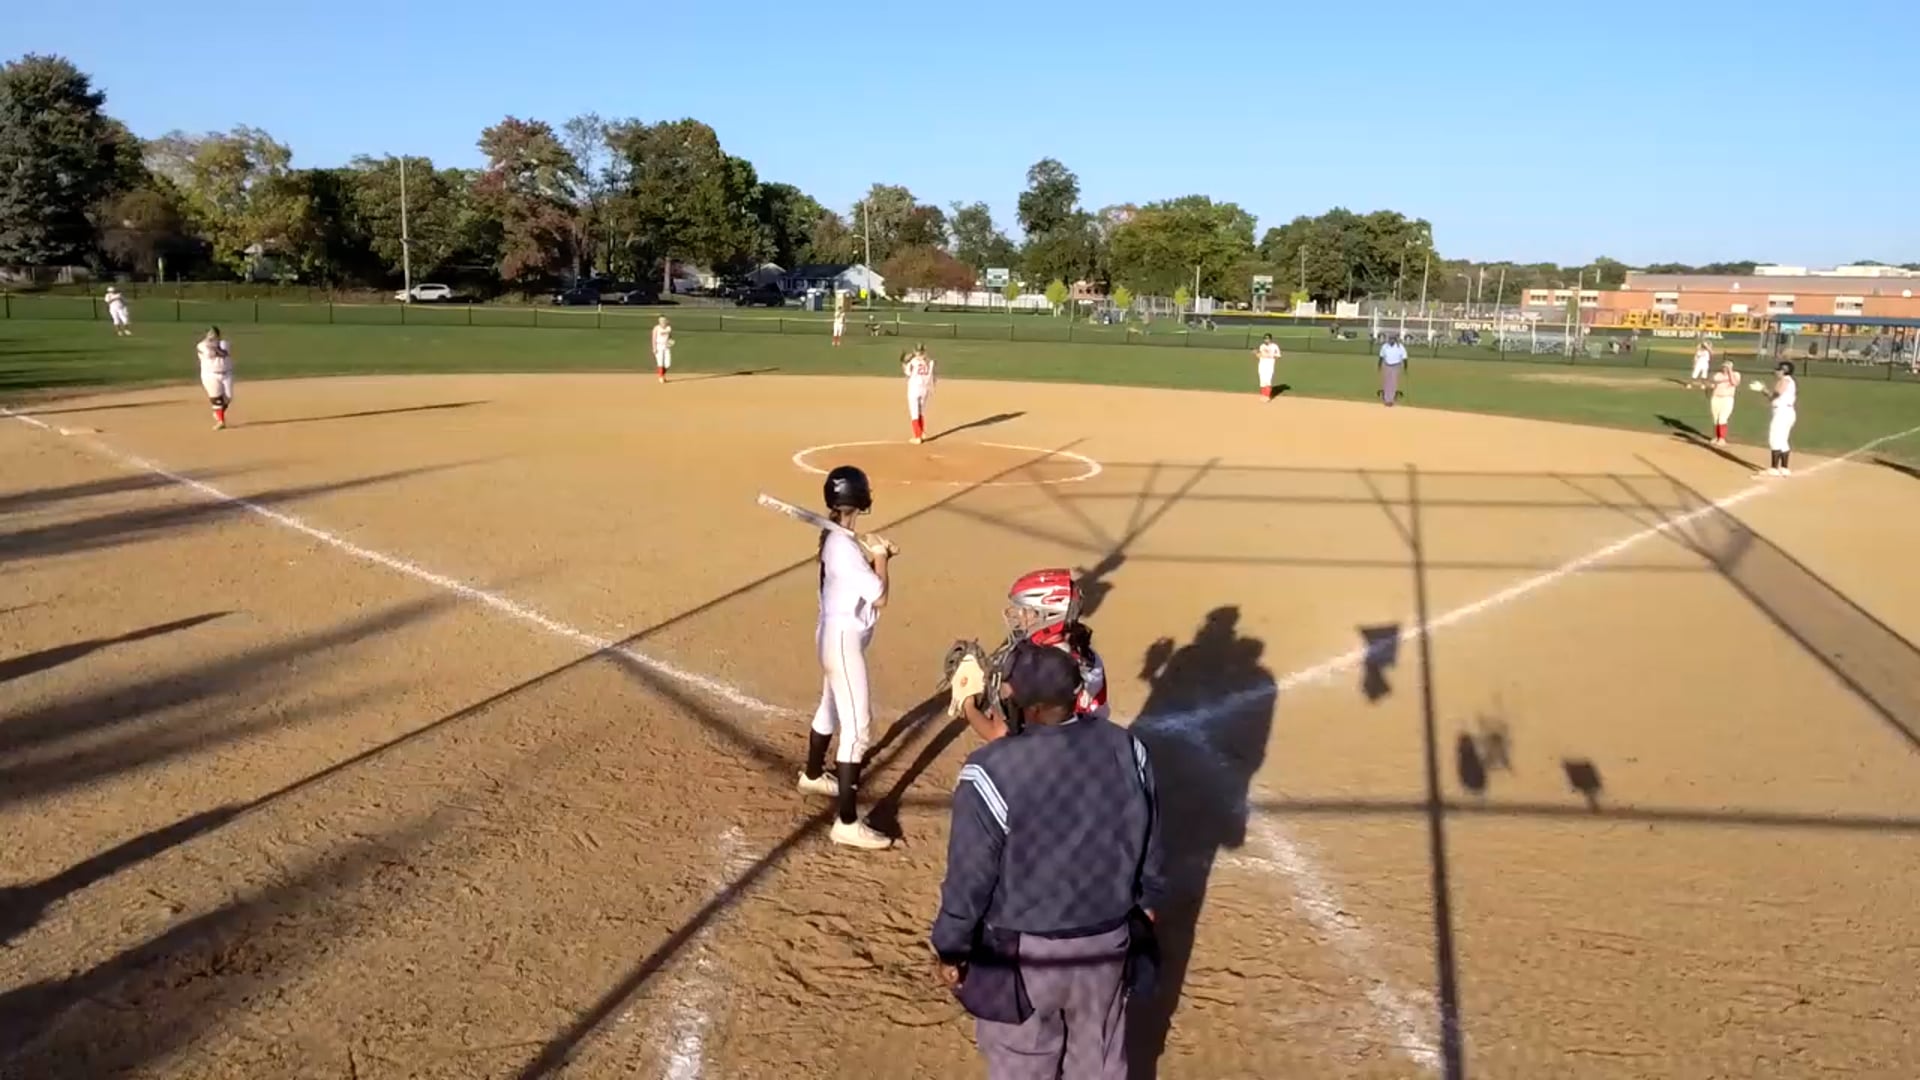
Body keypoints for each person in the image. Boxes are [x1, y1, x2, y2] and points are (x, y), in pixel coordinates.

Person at [932, 640, 1166, 1080]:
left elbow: (970, 876)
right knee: (1098, 1063)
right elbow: (1151, 836)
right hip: (1106, 944)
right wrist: (1148, 902)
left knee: (1022, 1062)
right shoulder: (1128, 747)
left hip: (1024, 955)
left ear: (1033, 708)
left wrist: (951, 947)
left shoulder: (989, 770)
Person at [797, 464, 897, 850]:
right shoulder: (842, 546)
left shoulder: (836, 541)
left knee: (830, 706)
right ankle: (847, 822)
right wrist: (881, 557)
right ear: (861, 498)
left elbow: (860, 581)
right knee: (857, 729)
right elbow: (880, 596)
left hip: (831, 636)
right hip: (843, 642)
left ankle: (812, 775)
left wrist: (876, 558)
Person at [959, 569, 1109, 744]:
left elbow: (998, 735)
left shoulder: (1034, 669)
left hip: (1055, 752)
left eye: (1026, 611)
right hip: (1092, 744)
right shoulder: (1084, 653)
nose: (1019, 616)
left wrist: (967, 704)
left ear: (1049, 616)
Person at [1754, 359, 1797, 476]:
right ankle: (1784, 468)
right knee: (1783, 440)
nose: (1776, 371)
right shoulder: (1790, 381)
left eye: (1778, 369)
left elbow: (1774, 395)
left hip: (1781, 412)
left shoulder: (1784, 380)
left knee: (1774, 438)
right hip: (1788, 412)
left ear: (1784, 371)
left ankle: (1774, 468)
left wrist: (1763, 389)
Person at [196, 327, 233, 430]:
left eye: (214, 335)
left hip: (226, 373)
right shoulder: (201, 345)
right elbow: (209, 354)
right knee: (217, 398)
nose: (212, 336)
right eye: (210, 334)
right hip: (210, 375)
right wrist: (212, 347)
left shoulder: (224, 343)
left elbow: (223, 353)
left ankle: (217, 411)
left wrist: (214, 347)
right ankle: (220, 421)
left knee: (228, 397)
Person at [904, 344, 936, 444]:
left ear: (915, 351)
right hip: (925, 390)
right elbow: (933, 377)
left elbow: (907, 373)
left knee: (914, 413)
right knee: (921, 412)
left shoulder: (913, 362)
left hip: (914, 389)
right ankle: (921, 433)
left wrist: (904, 363)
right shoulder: (930, 362)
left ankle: (917, 437)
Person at [1706, 357, 1739, 446]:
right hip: (1716, 398)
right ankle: (1716, 437)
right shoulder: (1718, 375)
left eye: (1727, 366)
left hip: (1727, 399)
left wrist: (1730, 371)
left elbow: (1734, 383)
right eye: (1724, 366)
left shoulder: (1736, 374)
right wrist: (1710, 387)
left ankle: (1722, 438)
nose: (1725, 368)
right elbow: (1713, 383)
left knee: (1722, 418)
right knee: (1715, 419)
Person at [1378, 333, 1408, 406]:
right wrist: (1379, 365)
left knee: (1393, 383)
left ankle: (1391, 400)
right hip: (1387, 365)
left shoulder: (1400, 347)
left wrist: (1405, 367)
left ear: (1395, 340)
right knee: (1387, 382)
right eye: (1390, 339)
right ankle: (1386, 399)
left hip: (1396, 365)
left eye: (1393, 339)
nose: (1391, 340)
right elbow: (1381, 357)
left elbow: (1405, 357)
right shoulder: (1385, 346)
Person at [1254, 333, 1281, 401]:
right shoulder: (1262, 346)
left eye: (1267, 338)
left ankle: (1267, 396)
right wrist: (1256, 353)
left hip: (1269, 366)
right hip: (1261, 365)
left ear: (1270, 339)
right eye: (1265, 338)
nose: (1266, 340)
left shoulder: (1275, 346)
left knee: (1268, 381)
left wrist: (1270, 356)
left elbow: (1278, 356)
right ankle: (1263, 395)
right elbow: (1260, 356)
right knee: (1262, 381)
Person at [651, 316, 673, 383]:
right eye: (661, 320)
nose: (662, 321)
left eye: (664, 320)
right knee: (660, 362)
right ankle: (661, 377)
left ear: (666, 321)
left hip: (666, 347)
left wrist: (670, 342)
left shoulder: (669, 328)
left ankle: (662, 375)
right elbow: (653, 338)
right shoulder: (656, 328)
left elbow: (670, 337)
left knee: (668, 364)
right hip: (659, 346)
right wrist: (654, 348)